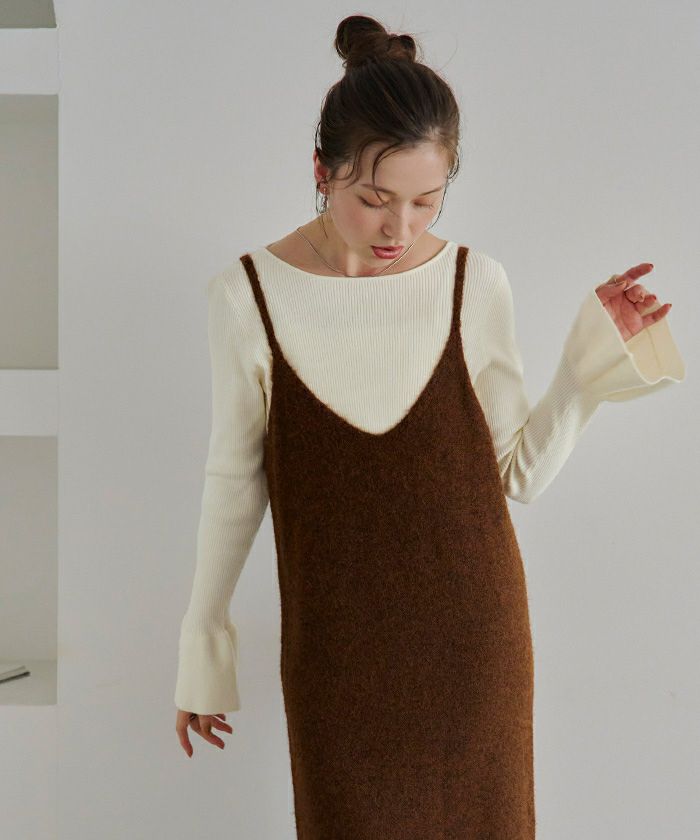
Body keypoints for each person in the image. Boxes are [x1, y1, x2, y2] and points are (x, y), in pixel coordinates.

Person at [173, 13, 685, 838]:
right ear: (321, 171)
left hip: (475, 648)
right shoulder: (246, 297)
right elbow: (234, 481)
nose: (400, 229)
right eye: (374, 200)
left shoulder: (473, 283)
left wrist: (585, 370)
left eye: (426, 201)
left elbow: (518, 473)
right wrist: (203, 648)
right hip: (335, 657)